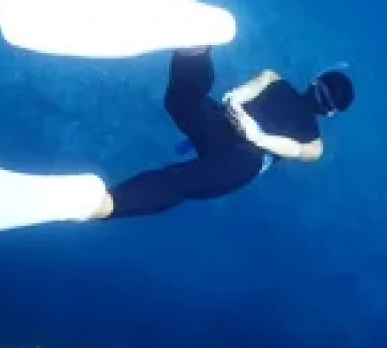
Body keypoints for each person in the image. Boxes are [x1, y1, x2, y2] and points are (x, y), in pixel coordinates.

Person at [87, 46, 355, 220]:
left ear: (314, 82)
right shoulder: (316, 143)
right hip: (244, 160)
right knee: (176, 183)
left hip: (225, 122)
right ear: (330, 112)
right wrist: (257, 137)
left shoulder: (274, 79)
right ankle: (105, 204)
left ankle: (194, 50)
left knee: (184, 97)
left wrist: (235, 103)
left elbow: (241, 92)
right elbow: (295, 150)